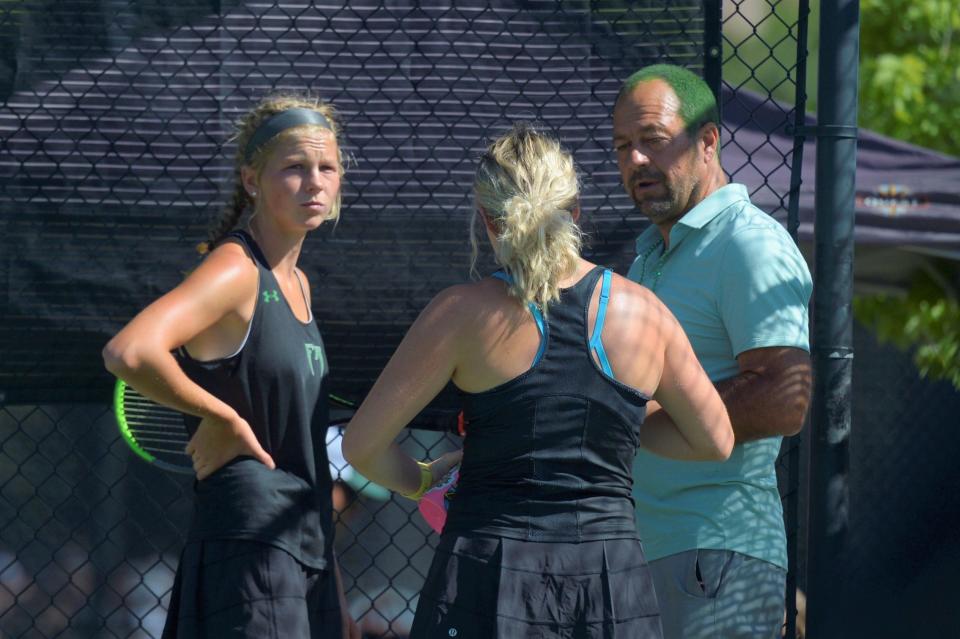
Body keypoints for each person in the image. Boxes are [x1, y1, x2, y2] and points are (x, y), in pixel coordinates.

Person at [342, 123, 734, 638]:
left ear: (487, 221)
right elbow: (716, 440)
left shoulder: (462, 313)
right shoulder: (644, 314)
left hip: (485, 572)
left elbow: (362, 447)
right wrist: (615, 429)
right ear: (575, 213)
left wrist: (422, 479)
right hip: (610, 582)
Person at [102, 95, 360, 639]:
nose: (314, 181)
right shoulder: (236, 269)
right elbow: (130, 350)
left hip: (301, 544)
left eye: (327, 168)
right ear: (251, 180)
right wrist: (222, 417)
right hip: (249, 542)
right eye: (294, 167)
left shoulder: (299, 284)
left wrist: (331, 588)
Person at [612, 63, 813, 639]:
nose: (636, 161)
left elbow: (783, 398)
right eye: (623, 146)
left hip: (714, 558)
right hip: (654, 554)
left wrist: (625, 419)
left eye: (653, 141)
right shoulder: (651, 255)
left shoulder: (748, 242)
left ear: (707, 142)